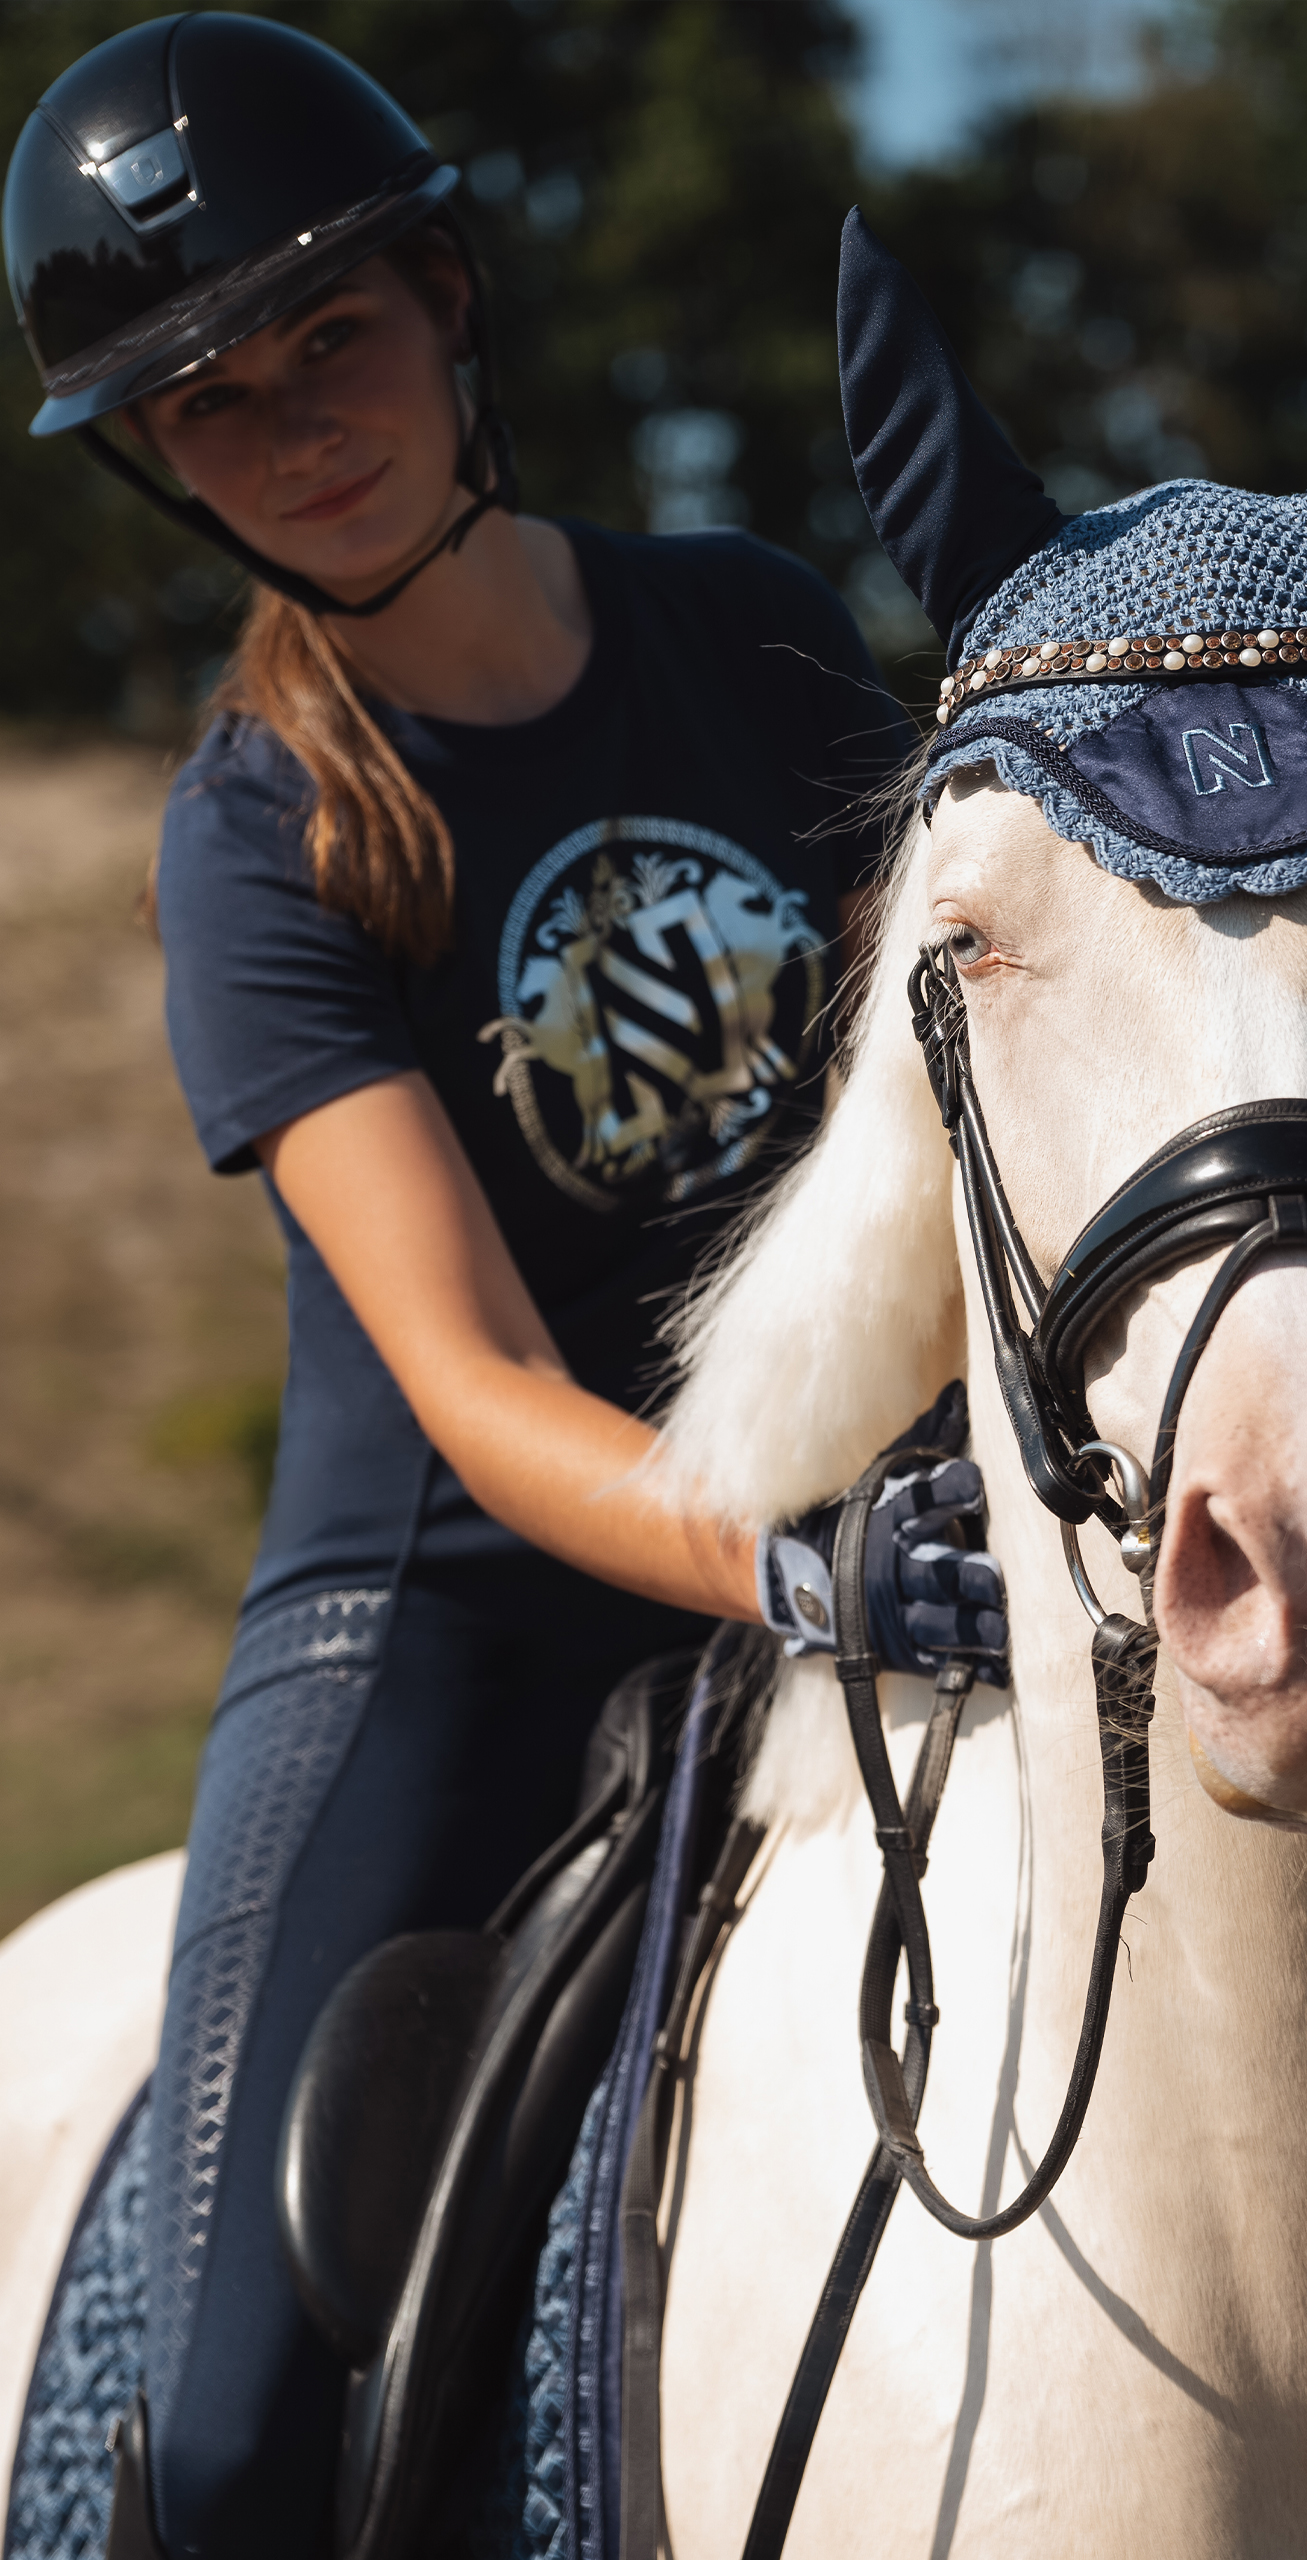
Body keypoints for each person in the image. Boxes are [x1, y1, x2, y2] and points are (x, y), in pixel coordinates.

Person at [3, 16, 1005, 2555]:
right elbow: (468, 1373)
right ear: (159, 468)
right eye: (208, 405)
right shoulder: (257, 847)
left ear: (451, 300)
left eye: (328, 336)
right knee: (226, 2432)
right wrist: (789, 1554)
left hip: (874, 1541)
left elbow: (955, 1106)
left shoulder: (756, 628)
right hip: (445, 1624)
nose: (293, 427)